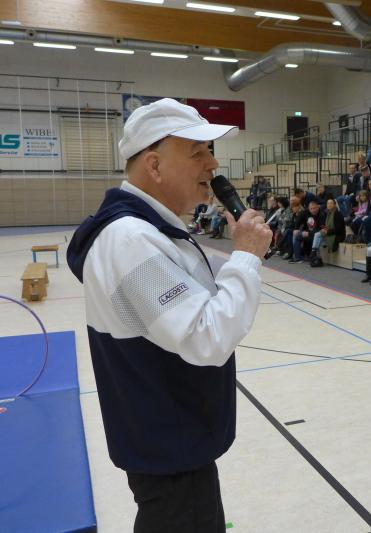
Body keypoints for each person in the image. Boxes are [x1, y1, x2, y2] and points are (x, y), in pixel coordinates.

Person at [66, 97, 270, 531]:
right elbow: (207, 337)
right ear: (154, 166)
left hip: (171, 438)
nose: (212, 163)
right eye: (197, 152)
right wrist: (247, 258)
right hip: (170, 445)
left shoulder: (148, 231)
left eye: (210, 150)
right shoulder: (131, 240)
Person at [309, 198, 345, 267]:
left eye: (331, 203)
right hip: (331, 234)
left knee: (317, 236)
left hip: (337, 236)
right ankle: (317, 258)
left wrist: (327, 231)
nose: (329, 205)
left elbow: (339, 229)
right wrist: (325, 229)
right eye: (328, 203)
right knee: (318, 240)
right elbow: (327, 226)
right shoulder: (328, 213)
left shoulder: (337, 214)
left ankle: (314, 255)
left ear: (334, 205)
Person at [291, 199, 325, 263]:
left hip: (316, 235)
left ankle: (310, 256)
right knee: (295, 234)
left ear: (318, 207)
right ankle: (298, 257)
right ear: (309, 209)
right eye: (311, 209)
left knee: (313, 236)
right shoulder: (306, 212)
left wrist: (309, 233)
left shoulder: (322, 214)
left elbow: (321, 230)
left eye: (314, 208)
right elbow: (299, 219)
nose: (313, 210)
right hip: (307, 233)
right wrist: (296, 229)